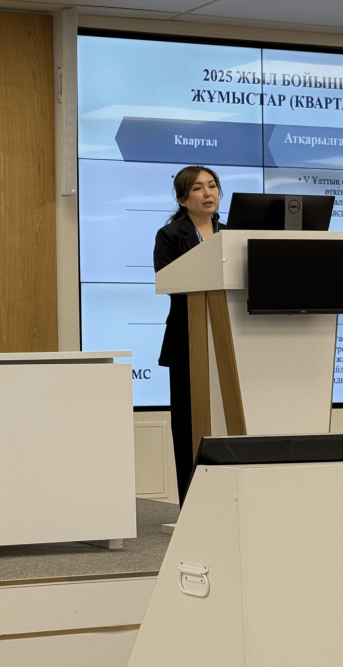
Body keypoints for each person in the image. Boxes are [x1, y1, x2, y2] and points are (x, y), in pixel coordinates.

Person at [153, 165, 226, 505]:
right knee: (187, 425)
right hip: (187, 340)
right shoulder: (170, 235)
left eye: (212, 186)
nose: (208, 193)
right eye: (198, 188)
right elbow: (168, 280)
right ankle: (192, 503)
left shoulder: (232, 233)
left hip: (230, 341)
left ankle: (226, 498)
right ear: (183, 199)